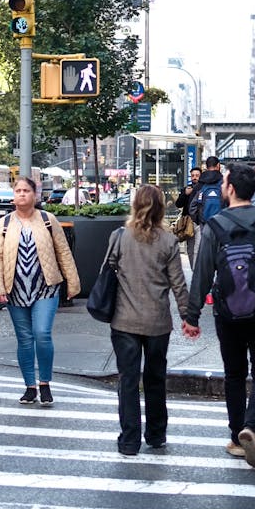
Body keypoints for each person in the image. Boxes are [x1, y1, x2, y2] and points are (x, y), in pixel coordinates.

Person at [183, 162, 255, 468]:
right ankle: (252, 428)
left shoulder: (216, 224)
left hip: (226, 312)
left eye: (224, 181)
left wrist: (192, 316)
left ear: (230, 188)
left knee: (234, 373)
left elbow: (202, 274)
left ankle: (236, 437)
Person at [105, 184, 189, 456]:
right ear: (162, 208)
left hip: (124, 320)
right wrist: (188, 316)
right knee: (155, 379)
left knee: (128, 381)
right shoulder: (168, 241)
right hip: (157, 322)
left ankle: (129, 440)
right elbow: (178, 283)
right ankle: (156, 434)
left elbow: (106, 271)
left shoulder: (119, 237)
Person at [0, 176, 80, 406]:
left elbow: (63, 253)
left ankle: (45, 383)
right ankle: (30, 386)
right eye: (17, 190)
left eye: (26, 190)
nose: (21, 194)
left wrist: (72, 283)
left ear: (35, 195)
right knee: (24, 339)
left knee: (42, 334)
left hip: (46, 287)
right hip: (15, 289)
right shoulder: (5, 223)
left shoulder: (48, 220)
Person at [175, 166, 202, 264]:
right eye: (193, 176)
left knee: (198, 248)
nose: (195, 177)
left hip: (199, 222)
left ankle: (197, 270)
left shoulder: (203, 189)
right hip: (188, 223)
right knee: (190, 249)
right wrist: (185, 194)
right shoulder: (186, 189)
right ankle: (193, 269)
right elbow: (178, 204)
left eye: (197, 175)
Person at [189, 156, 223, 228]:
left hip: (205, 224)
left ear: (207, 167)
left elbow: (192, 206)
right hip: (222, 224)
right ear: (218, 165)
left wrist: (199, 220)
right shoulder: (224, 183)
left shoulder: (200, 184)